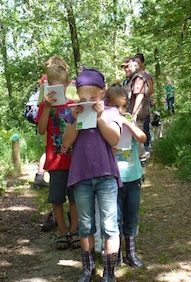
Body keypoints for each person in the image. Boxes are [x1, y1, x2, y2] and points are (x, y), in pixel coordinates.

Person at [62, 68, 122, 282]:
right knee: (85, 225)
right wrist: (75, 120)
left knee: (109, 225)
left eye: (93, 97)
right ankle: (87, 270)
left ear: (103, 93)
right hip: (81, 176)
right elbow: (66, 143)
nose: (87, 101)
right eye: (83, 97)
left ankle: (109, 272)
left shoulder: (111, 112)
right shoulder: (72, 114)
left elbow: (115, 140)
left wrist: (98, 118)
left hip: (106, 175)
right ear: (77, 95)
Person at [36, 55, 79, 250]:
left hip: (74, 161)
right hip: (55, 161)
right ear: (47, 86)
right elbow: (41, 130)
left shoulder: (72, 105)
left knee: (75, 198)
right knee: (57, 199)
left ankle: (75, 230)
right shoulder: (44, 106)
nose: (56, 92)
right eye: (52, 87)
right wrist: (46, 107)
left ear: (67, 84)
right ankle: (62, 232)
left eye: (59, 88)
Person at [106, 86, 146, 268]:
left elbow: (142, 138)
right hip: (114, 178)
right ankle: (117, 254)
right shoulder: (106, 125)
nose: (119, 111)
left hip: (133, 177)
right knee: (115, 217)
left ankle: (131, 252)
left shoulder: (129, 121)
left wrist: (128, 124)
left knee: (131, 215)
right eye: (115, 106)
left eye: (123, 107)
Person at [133, 53, 154, 154]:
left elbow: (151, 90)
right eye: (135, 62)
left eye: (138, 62)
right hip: (136, 105)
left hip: (145, 105)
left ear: (142, 63)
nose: (136, 64)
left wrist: (141, 92)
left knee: (145, 126)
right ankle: (140, 149)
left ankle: (147, 146)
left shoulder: (146, 75)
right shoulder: (134, 75)